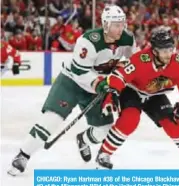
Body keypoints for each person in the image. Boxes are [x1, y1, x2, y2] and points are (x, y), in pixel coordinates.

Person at [7, 5, 136, 176]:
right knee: (51, 120)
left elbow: (132, 64)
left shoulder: (127, 39)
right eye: (115, 24)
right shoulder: (89, 41)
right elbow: (79, 72)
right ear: (105, 24)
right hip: (72, 83)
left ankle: (83, 139)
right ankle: (23, 155)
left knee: (104, 129)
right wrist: (101, 83)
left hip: (98, 87)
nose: (120, 28)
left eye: (122, 24)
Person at [91, 27, 179, 169]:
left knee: (173, 122)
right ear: (154, 51)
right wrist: (113, 93)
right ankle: (104, 154)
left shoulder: (178, 64)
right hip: (132, 91)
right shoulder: (140, 59)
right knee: (130, 120)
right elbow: (119, 76)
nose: (168, 54)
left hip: (155, 94)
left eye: (170, 49)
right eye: (164, 51)